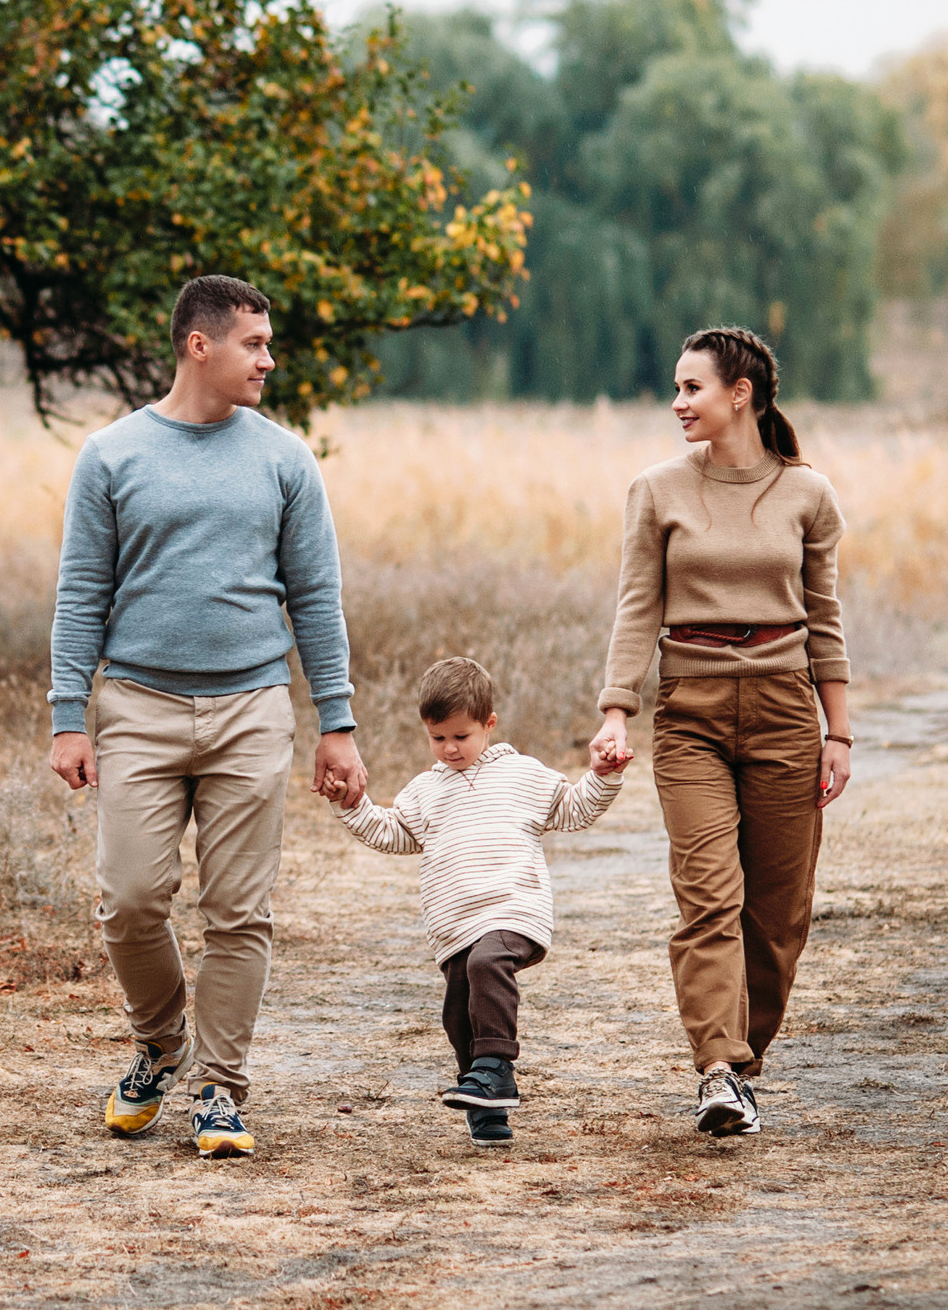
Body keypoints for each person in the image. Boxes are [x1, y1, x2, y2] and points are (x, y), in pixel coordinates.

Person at [46, 274, 367, 1161]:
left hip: (252, 707)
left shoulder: (285, 459)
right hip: (137, 707)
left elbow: (316, 598)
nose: (269, 358)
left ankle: (222, 1089)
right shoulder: (112, 455)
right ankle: (159, 1043)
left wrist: (335, 720)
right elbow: (80, 595)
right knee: (131, 899)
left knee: (239, 912)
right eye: (254, 343)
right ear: (200, 345)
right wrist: (68, 714)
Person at [589, 325, 854, 1139]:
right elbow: (638, 606)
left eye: (692, 388)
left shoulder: (807, 495)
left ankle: (742, 1069)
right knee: (709, 899)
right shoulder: (658, 490)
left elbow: (824, 618)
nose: (677, 402)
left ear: (741, 394)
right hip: (690, 716)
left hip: (783, 711)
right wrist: (615, 710)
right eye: (676, 387)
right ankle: (715, 1067)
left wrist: (836, 732)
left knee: (778, 918)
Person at [334, 657, 629, 1146]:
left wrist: (602, 775)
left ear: (488, 725)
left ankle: (495, 1068)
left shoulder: (523, 775)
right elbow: (392, 834)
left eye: (461, 737)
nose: (449, 748)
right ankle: (486, 1108)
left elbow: (575, 810)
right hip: (454, 923)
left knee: (489, 963)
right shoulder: (423, 792)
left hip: (515, 909)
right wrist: (351, 804)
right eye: (438, 738)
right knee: (459, 1010)